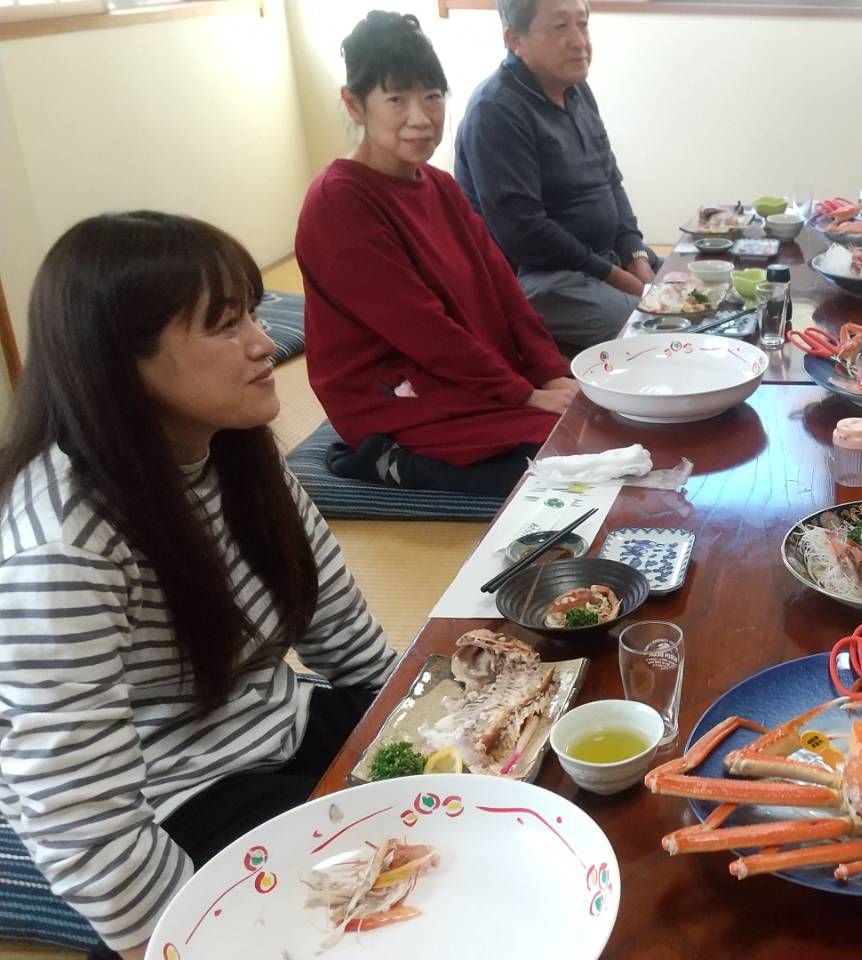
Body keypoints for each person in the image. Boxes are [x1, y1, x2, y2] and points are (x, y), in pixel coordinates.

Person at [0, 212, 397, 960]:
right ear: (122, 362)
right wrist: (192, 940)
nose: (264, 343)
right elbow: (81, 819)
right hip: (180, 796)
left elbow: (341, 628)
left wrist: (402, 725)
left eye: (252, 312)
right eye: (224, 326)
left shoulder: (233, 447)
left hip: (282, 725)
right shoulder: (62, 550)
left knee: (487, 755)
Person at [296, 11, 574, 496]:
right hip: (395, 394)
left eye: (432, 96)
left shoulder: (440, 186)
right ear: (355, 105)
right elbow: (422, 328)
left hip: (468, 374)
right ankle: (383, 459)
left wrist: (552, 374)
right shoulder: (338, 201)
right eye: (396, 99)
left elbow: (505, 291)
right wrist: (524, 395)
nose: (421, 118)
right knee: (556, 462)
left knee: (592, 418)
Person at [454, 0, 661, 354]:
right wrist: (618, 278)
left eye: (582, 24)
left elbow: (610, 180)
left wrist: (637, 254)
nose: (579, 41)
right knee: (653, 332)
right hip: (539, 278)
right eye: (560, 27)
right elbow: (525, 233)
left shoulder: (576, 89)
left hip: (602, 260)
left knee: (699, 292)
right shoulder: (496, 110)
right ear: (515, 40)